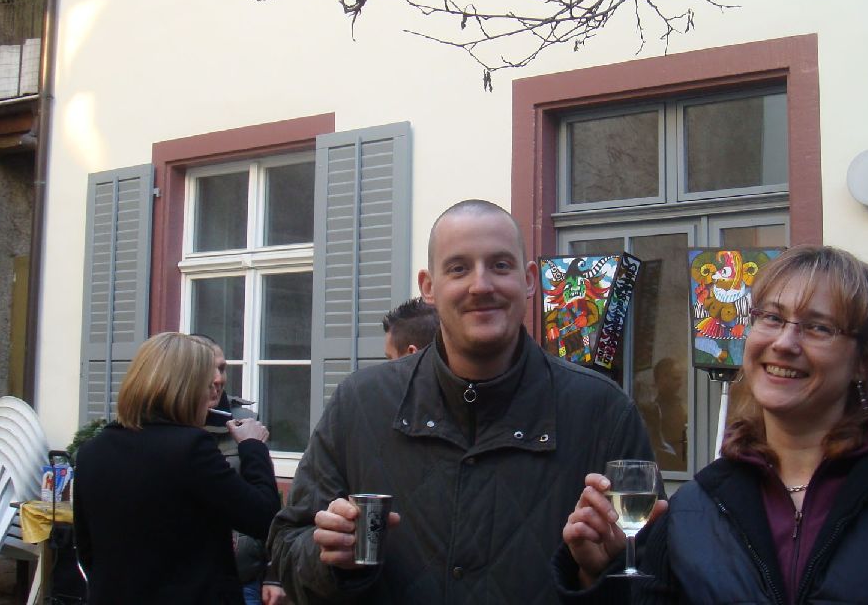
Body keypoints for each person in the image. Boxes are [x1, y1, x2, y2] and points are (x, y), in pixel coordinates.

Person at [556, 245, 868, 604]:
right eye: (771, 318)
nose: (784, 343)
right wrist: (601, 575)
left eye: (817, 327)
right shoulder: (696, 508)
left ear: (865, 361)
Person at [264, 200, 656, 605]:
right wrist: (329, 560)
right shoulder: (360, 404)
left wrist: (597, 575)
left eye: (500, 265)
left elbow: (655, 581)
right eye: (458, 268)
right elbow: (288, 546)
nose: (481, 285)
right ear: (428, 287)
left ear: (529, 280)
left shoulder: (604, 412)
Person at [74, 332, 281, 604]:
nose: (213, 393)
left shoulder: (92, 450)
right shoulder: (190, 448)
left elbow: (86, 550)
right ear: (185, 388)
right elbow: (264, 517)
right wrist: (253, 446)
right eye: (206, 385)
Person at [191, 334, 269, 605]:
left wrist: (273, 574)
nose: (218, 378)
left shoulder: (245, 423)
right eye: (208, 369)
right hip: (187, 575)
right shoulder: (170, 433)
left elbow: (267, 505)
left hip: (242, 573)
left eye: (222, 368)